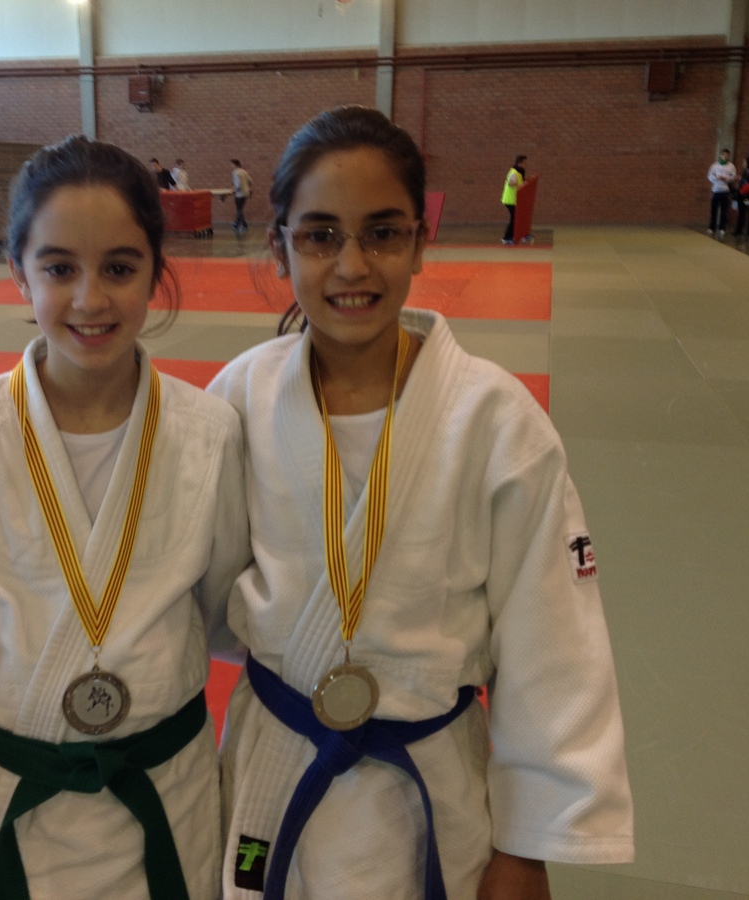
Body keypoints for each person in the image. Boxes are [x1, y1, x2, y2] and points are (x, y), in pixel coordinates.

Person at [207, 106, 634, 900]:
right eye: (320, 235)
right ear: (280, 244)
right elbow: (188, 578)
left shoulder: (497, 420)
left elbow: (554, 645)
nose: (352, 265)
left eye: (382, 233)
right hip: (273, 767)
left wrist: (528, 843)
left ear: (419, 242)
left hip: (431, 788)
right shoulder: (239, 398)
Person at [0, 134, 250, 900]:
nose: (89, 299)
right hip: (16, 805)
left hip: (169, 802)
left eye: (118, 267)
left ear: (155, 274)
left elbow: (229, 614)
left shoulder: (210, 432)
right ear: (17, 274)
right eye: (58, 269)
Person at [707, 148, 736, 237]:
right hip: (716, 189)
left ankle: (722, 228)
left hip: (725, 190)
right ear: (721, 155)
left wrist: (726, 178)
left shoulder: (731, 166)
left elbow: (733, 176)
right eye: (724, 155)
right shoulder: (715, 165)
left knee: (724, 211)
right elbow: (709, 176)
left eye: (727, 155)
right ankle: (712, 227)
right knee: (714, 210)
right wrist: (716, 178)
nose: (725, 156)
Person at [500, 154, 527, 244]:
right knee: (514, 218)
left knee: (516, 217)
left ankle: (518, 235)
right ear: (520, 163)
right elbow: (511, 183)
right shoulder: (514, 172)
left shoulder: (519, 172)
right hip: (509, 200)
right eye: (524, 163)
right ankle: (507, 237)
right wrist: (518, 184)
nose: (525, 165)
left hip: (514, 200)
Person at [230, 158, 252, 232]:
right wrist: (247, 187)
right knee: (240, 209)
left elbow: (238, 185)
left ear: (235, 165)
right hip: (246, 193)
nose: (231, 166)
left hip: (240, 194)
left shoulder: (235, 172)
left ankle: (244, 225)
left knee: (239, 210)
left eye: (231, 164)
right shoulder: (244, 171)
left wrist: (234, 189)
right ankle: (237, 223)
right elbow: (250, 181)